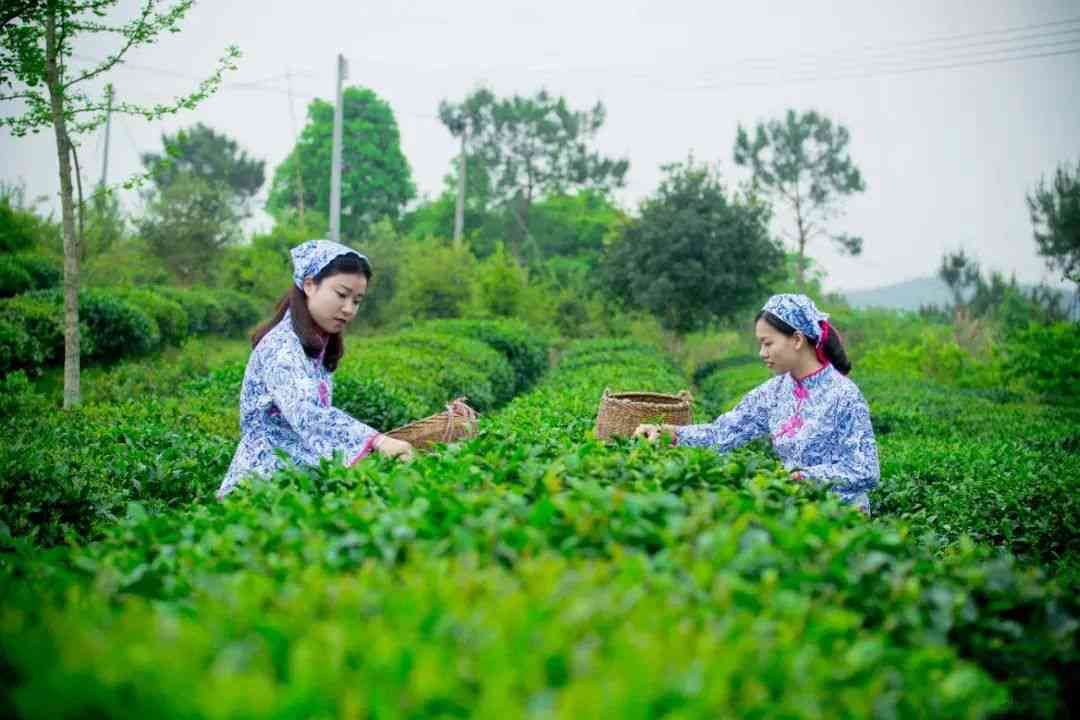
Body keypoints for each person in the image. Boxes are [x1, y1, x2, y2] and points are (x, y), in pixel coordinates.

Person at [635, 294, 879, 513]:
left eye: (768, 343)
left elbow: (865, 470)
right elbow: (724, 433)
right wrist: (668, 433)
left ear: (796, 339)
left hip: (842, 518)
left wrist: (800, 478)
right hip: (795, 510)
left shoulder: (844, 395)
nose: (762, 353)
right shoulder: (773, 392)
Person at [216, 239, 414, 500]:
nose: (348, 309)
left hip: (292, 481)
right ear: (309, 285)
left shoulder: (315, 344)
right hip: (261, 487)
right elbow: (308, 413)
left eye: (357, 300)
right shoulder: (282, 348)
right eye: (341, 295)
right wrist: (377, 440)